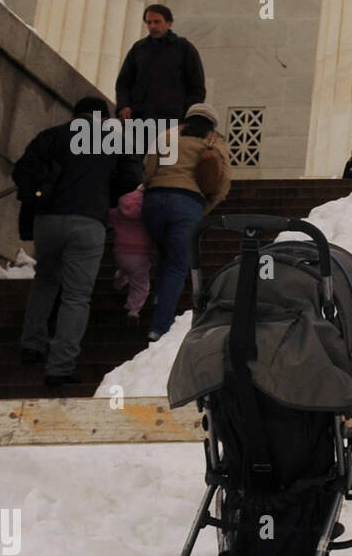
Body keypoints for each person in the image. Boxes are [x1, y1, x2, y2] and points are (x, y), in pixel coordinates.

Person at [13, 96, 142, 385]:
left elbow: (21, 171)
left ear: (75, 114)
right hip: (88, 223)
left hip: (47, 221)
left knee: (45, 281)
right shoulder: (112, 140)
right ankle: (60, 367)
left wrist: (42, 193)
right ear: (102, 118)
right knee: (76, 296)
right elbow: (132, 180)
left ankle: (31, 346)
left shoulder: (50, 137)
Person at [142, 102, 231, 342]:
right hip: (187, 203)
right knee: (177, 265)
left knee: (164, 254)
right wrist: (204, 207)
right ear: (212, 123)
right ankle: (159, 328)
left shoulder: (168, 136)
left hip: (154, 201)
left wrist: (152, 191)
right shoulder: (215, 142)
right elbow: (222, 184)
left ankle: (160, 297)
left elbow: (149, 169)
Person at [115, 4, 206, 122]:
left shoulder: (184, 48)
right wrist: (123, 106)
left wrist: (189, 114)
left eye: (157, 22)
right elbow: (124, 82)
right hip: (139, 117)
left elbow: (196, 86)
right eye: (149, 22)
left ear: (169, 23)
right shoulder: (138, 49)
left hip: (173, 119)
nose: (152, 26)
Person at [110, 186, 154, 325]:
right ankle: (133, 309)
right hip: (140, 252)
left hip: (120, 251)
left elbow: (110, 215)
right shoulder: (148, 208)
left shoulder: (122, 205)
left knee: (124, 270)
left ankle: (118, 283)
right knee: (140, 284)